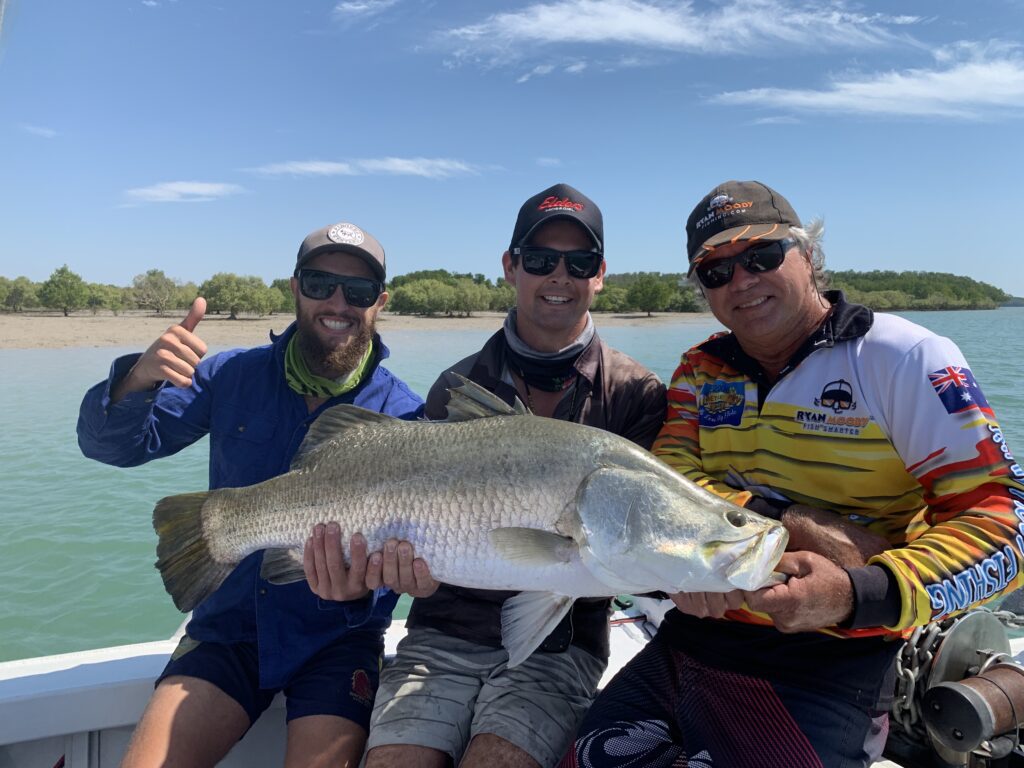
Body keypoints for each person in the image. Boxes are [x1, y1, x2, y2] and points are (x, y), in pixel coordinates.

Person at [563, 180, 1024, 768]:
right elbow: (663, 488)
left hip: (833, 658)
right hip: (694, 634)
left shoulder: (904, 358)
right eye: (715, 271)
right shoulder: (701, 370)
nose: (741, 281)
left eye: (760, 256)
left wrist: (855, 594)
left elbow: (1005, 523)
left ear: (808, 255)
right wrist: (791, 523)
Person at [307, 182, 667, 768]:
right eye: (540, 259)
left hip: (563, 645)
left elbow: (639, 551)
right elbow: (415, 526)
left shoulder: (637, 394)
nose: (559, 275)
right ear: (510, 266)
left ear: (600, 274)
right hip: (440, 635)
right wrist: (391, 574)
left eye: (579, 262)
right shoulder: (455, 384)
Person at [77, 221, 424, 767]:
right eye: (319, 283)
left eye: (356, 292)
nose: (337, 302)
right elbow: (115, 448)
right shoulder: (228, 374)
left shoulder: (407, 415)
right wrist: (136, 381)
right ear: (294, 288)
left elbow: (408, 539)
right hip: (228, 630)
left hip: (338, 641)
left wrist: (360, 590)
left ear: (379, 302)